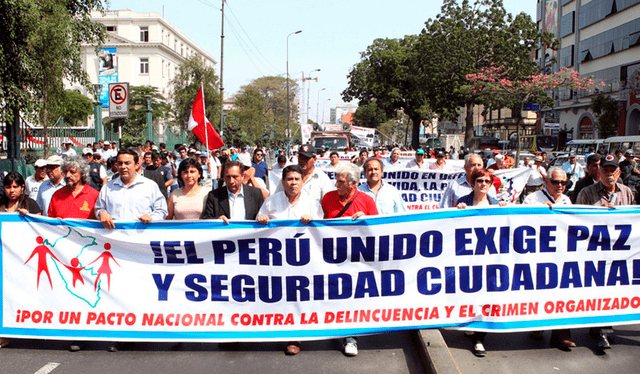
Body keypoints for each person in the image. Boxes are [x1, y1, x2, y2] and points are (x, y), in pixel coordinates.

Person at [577, 154, 635, 353]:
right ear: (598, 172)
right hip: (594, 251)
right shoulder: (586, 193)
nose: (609, 175)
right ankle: (600, 328)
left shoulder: (627, 193)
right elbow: (577, 221)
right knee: (597, 288)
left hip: (619, 253)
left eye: (613, 171)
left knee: (613, 289)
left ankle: (603, 327)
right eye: (605, 171)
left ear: (618, 173)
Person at [321, 162, 378, 357]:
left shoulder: (367, 201)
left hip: (356, 260)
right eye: (336, 180)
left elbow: (379, 230)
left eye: (341, 181)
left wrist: (367, 219)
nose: (336, 185)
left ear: (353, 183)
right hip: (331, 257)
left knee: (350, 297)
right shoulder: (328, 198)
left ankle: (350, 337)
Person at [455, 168, 506, 357]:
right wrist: (457, 211)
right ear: (473, 183)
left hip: (489, 259)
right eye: (479, 181)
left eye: (487, 181)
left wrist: (505, 211)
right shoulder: (463, 202)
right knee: (470, 293)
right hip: (467, 258)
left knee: (486, 295)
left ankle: (479, 338)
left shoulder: (496, 204)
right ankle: (470, 323)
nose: (483, 184)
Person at [522, 167, 574, 349]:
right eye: (556, 182)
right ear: (546, 182)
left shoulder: (567, 200)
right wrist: (539, 212)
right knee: (541, 291)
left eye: (563, 183)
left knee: (563, 292)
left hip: (561, 253)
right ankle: (537, 325)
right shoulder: (532, 199)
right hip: (539, 253)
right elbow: (522, 223)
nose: (560, 186)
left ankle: (561, 334)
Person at [95, 148, 168, 231]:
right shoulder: (108, 187)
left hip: (141, 236)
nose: (123, 167)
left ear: (136, 164)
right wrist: (101, 213)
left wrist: (152, 218)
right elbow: (99, 208)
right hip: (114, 237)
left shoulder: (150, 186)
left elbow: (161, 210)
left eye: (127, 163)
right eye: (120, 163)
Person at [257, 164, 323, 225]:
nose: (293, 182)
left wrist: (312, 220)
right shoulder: (270, 202)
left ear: (302, 182)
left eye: (297, 179)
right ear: (283, 182)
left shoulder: (312, 203)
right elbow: (257, 225)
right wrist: (262, 219)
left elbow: (320, 228)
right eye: (290, 179)